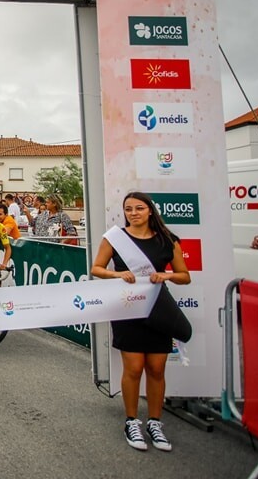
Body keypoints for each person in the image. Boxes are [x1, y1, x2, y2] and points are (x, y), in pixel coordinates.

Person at [90, 192, 191, 453]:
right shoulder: (114, 238)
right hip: (127, 308)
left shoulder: (167, 240)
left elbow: (184, 276)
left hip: (157, 309)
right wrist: (117, 274)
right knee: (133, 368)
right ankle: (132, 421)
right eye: (128, 209)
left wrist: (166, 276)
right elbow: (96, 268)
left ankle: (155, 422)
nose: (133, 213)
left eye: (139, 208)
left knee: (156, 368)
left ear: (150, 211)